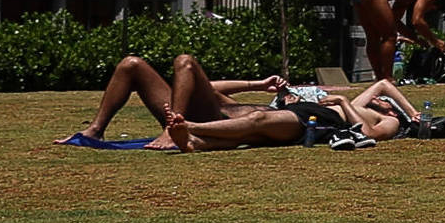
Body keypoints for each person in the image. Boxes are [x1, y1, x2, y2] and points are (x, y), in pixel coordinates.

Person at [56, 54, 309, 150]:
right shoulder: (247, 102)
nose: (291, 93)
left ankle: (171, 130)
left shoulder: (276, 116)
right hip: (190, 112)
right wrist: (257, 85)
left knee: (185, 61)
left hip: (211, 123)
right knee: (130, 65)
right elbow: (210, 88)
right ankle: (95, 130)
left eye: (296, 95)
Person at [351, 0, 445, 82]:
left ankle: (380, 78)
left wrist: (416, 39)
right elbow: (417, 21)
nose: (426, 10)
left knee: (373, 36)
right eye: (430, 9)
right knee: (390, 37)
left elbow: (395, 21)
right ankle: (387, 77)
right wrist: (435, 41)